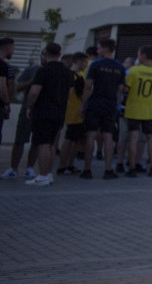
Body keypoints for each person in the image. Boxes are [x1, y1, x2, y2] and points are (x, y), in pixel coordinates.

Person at [23, 44, 75, 187]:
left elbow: (34, 92)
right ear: (59, 53)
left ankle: (42, 175)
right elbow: (70, 93)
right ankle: (48, 173)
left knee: (43, 144)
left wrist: (29, 106)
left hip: (44, 111)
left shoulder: (43, 71)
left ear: (45, 54)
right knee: (52, 144)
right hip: (59, 112)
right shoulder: (67, 72)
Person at [80, 39, 126, 180]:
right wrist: (116, 104)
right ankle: (108, 169)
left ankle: (87, 169)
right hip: (110, 105)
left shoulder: (95, 65)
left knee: (91, 136)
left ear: (105, 49)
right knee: (108, 137)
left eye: (99, 48)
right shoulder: (120, 67)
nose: (97, 50)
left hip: (95, 103)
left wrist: (83, 105)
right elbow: (120, 89)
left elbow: (88, 86)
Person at [124, 45, 152, 177]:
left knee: (133, 138)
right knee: (151, 139)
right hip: (149, 110)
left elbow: (125, 89)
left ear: (143, 55)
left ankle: (131, 168)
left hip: (133, 109)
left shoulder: (133, 71)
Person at [4, 58, 40, 180]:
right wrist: (31, 81)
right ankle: (13, 168)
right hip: (27, 109)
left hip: (43, 111)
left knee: (37, 141)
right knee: (20, 139)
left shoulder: (52, 71)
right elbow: (18, 87)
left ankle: (30, 168)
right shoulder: (32, 70)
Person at [57, 52, 90, 177]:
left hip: (70, 111)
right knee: (70, 140)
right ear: (79, 62)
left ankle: (68, 165)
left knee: (73, 140)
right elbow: (81, 95)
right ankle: (63, 166)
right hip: (75, 113)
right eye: (85, 62)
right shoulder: (77, 77)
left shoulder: (69, 75)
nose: (86, 64)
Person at [0, 37, 13, 143]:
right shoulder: (2, 65)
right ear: (8, 48)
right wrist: (6, 103)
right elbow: (2, 86)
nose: (13, 51)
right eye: (13, 48)